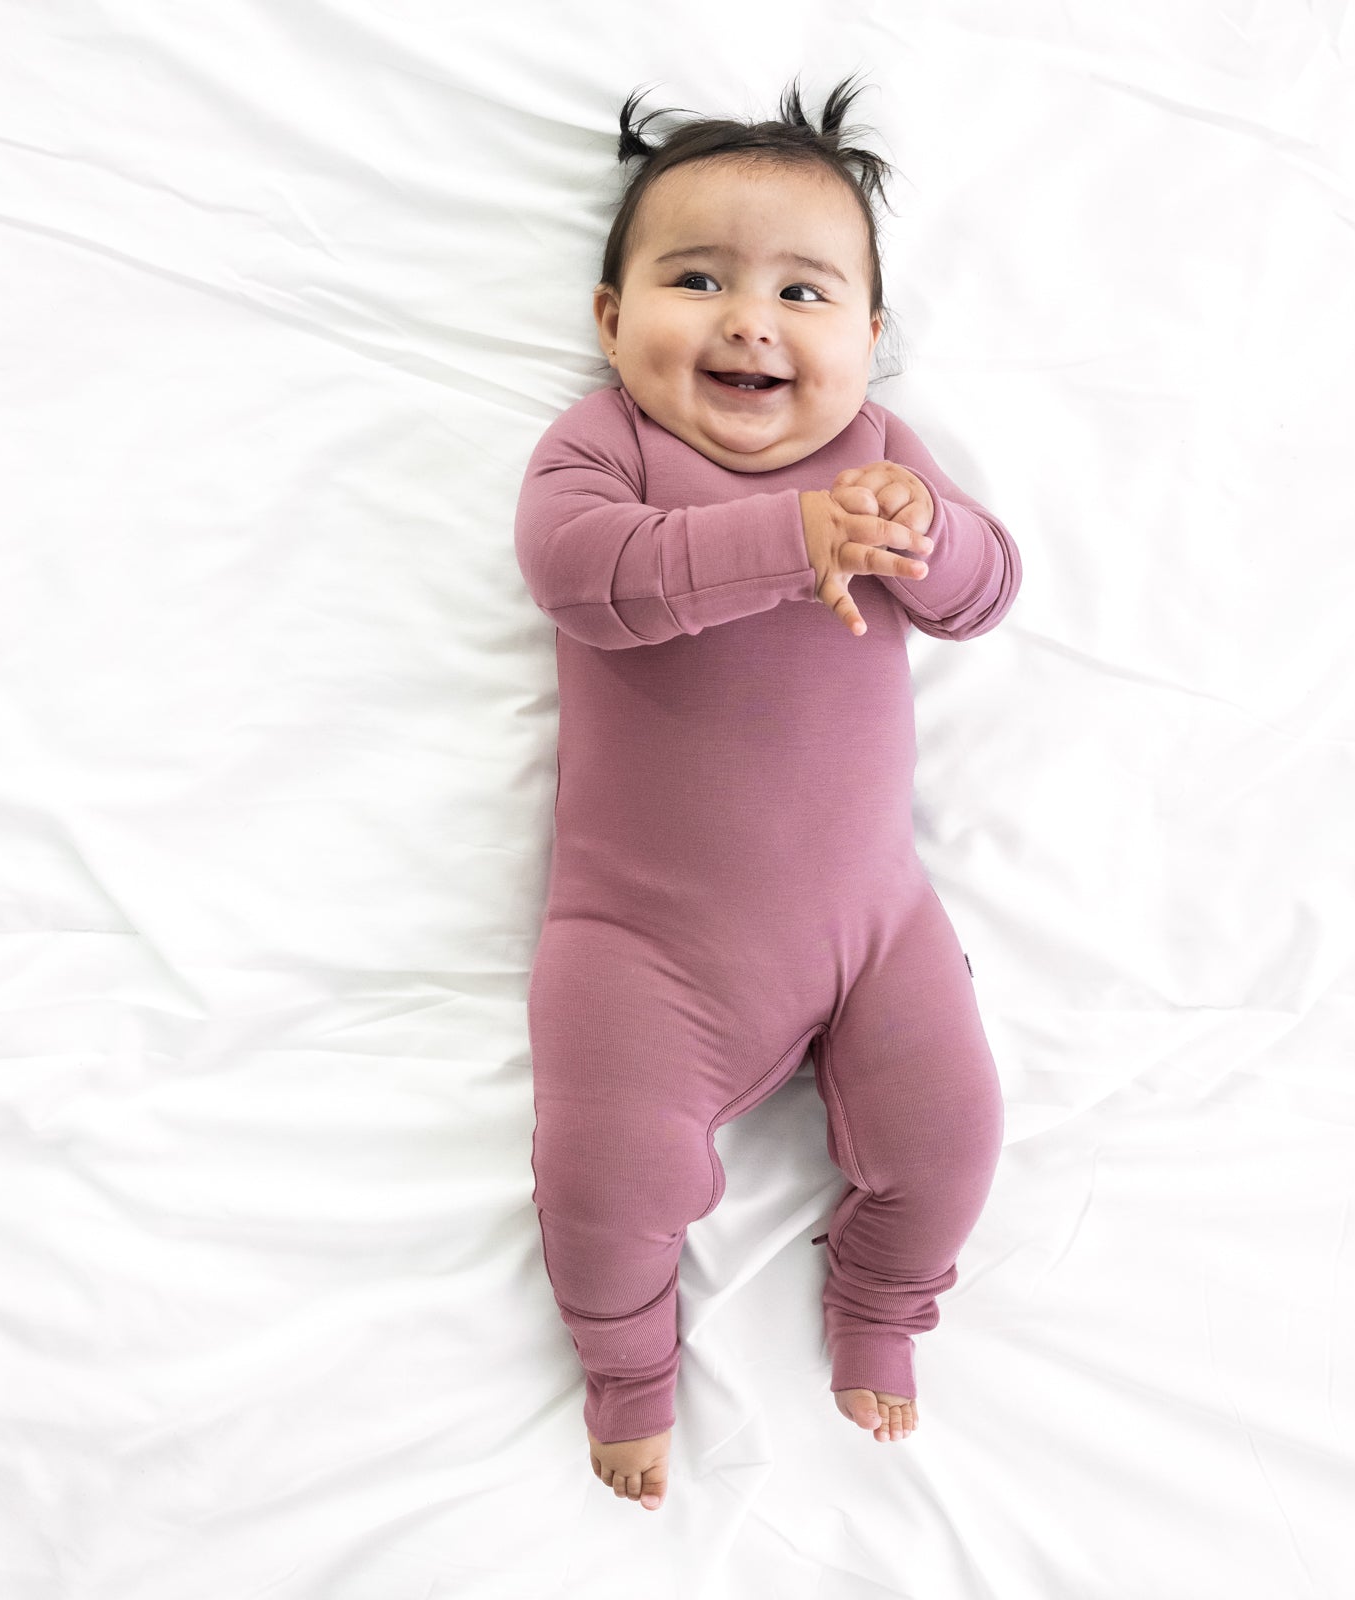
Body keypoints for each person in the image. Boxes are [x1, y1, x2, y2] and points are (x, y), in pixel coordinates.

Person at [514, 71, 1022, 1513]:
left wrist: (928, 543)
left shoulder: (883, 461)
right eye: (695, 278)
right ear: (612, 322)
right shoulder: (603, 449)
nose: (750, 317)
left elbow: (987, 600)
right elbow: (587, 581)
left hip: (874, 926)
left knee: (955, 1133)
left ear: (871, 341)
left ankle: (882, 1297)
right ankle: (627, 1367)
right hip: (640, 941)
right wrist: (792, 537)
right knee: (603, 1175)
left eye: (807, 293)